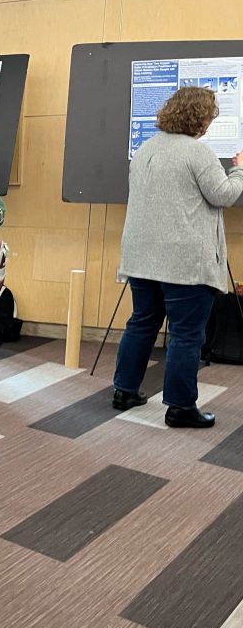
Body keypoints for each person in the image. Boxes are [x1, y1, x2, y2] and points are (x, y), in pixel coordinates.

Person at [113, 86, 243, 428]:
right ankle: (181, 408)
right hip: (183, 263)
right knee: (187, 335)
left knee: (141, 324)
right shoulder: (198, 153)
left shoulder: (145, 150)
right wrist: (241, 169)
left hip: (142, 257)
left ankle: (124, 391)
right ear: (200, 118)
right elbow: (224, 196)